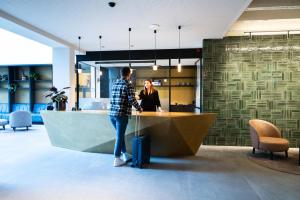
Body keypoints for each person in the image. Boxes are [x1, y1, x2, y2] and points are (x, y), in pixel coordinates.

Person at [109, 67, 142, 167]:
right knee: (119, 136)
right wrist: (139, 108)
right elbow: (132, 99)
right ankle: (116, 158)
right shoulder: (128, 84)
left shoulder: (115, 83)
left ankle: (125, 154)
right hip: (121, 114)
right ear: (129, 74)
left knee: (120, 135)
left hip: (112, 115)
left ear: (121, 74)